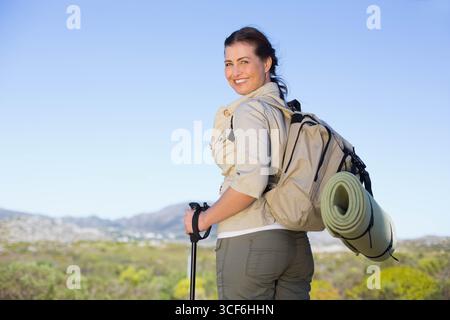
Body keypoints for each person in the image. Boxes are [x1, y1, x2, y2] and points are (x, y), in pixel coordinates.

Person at [184, 26, 314, 300]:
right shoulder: (290, 113)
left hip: (251, 240)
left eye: (244, 62)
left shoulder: (250, 110)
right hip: (295, 246)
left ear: (266, 63)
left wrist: (203, 219)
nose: (235, 72)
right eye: (229, 64)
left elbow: (251, 181)